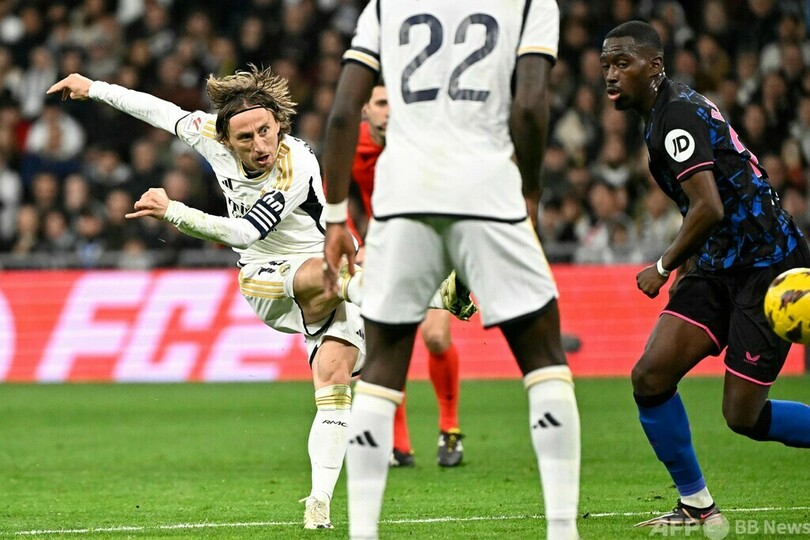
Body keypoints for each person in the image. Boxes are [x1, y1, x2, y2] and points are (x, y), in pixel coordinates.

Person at [47, 67, 474, 532]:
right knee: (334, 277)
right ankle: (436, 295)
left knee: (334, 386)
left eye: (266, 131)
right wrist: (94, 88)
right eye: (246, 138)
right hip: (267, 279)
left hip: (327, 268)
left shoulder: (297, 164)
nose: (260, 145)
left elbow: (245, 229)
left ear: (279, 124)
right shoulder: (208, 134)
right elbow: (160, 111)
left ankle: (319, 503)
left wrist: (174, 211)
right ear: (226, 140)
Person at [321, 2, 581, 539]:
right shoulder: (531, 3)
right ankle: (562, 530)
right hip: (488, 188)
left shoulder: (384, 5)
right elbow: (530, 105)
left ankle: (362, 532)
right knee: (544, 360)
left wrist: (335, 216)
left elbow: (343, 111)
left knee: (382, 366)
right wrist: (530, 189)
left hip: (403, 197)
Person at [600, 20, 810, 529]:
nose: (610, 74)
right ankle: (696, 504)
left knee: (743, 417)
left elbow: (709, 206)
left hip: (767, 266)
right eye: (606, 64)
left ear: (654, 66)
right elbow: (711, 200)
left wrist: (663, 265)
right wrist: (692, 262)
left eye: (623, 63)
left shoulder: (676, 116)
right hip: (719, 263)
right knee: (650, 376)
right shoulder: (663, 112)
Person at [348, 82, 466, 468]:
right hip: (387, 250)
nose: (390, 111)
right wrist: (354, 243)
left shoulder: (422, 140)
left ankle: (449, 429)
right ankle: (399, 445)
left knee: (435, 336)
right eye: (382, 103)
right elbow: (332, 198)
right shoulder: (351, 145)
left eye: (395, 103)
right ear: (365, 110)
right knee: (387, 344)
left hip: (436, 244)